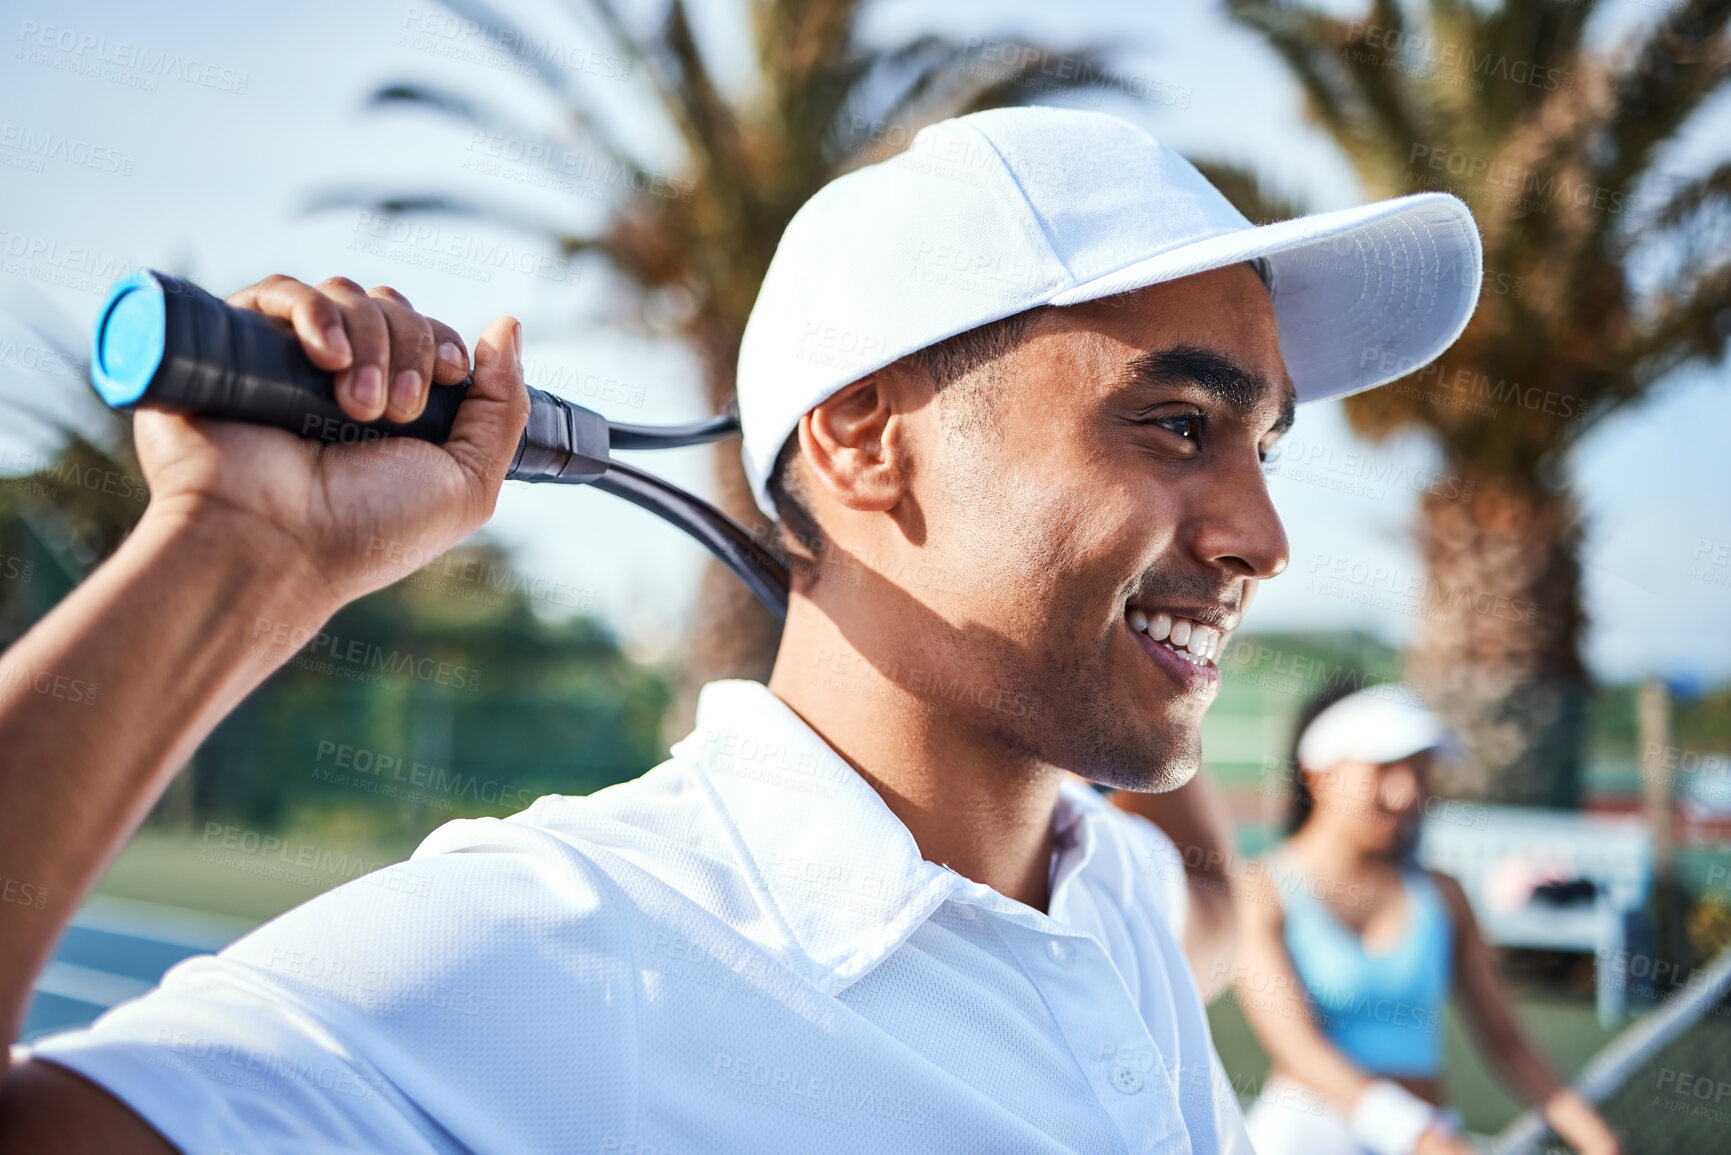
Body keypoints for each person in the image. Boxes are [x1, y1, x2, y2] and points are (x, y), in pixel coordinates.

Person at [0, 107, 1484, 1153]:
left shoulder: (1105, 904)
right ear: (854, 441)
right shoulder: (568, 944)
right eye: (1174, 424)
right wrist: (232, 551)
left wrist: (1163, 657)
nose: (1262, 535)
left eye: (1261, 447)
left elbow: (1203, 902)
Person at [1232, 681, 1624, 1155]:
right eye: (1384, 768)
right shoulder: (1261, 890)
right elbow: (1300, 1050)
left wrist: (1599, 1140)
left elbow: (1508, 1043)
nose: (1407, 792)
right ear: (1320, 775)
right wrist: (1418, 1135)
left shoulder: (1444, 894)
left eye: (1421, 771)